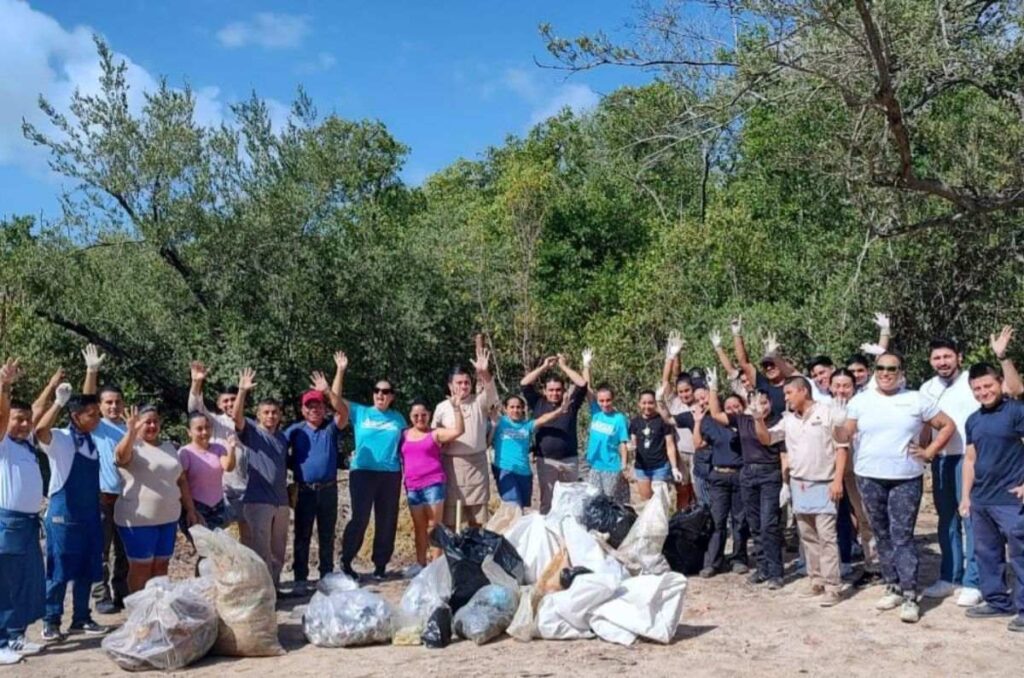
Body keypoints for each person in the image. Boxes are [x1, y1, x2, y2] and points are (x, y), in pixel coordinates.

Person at [839, 351, 956, 623]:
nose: (886, 373)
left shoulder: (915, 399)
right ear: (874, 371)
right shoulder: (860, 401)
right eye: (880, 368)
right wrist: (836, 422)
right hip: (868, 476)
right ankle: (892, 585)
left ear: (901, 371)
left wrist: (930, 451)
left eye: (892, 368)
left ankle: (910, 595)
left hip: (905, 477)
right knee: (881, 534)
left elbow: (947, 425)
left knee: (902, 536)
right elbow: (845, 434)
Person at [919, 329, 1022, 606]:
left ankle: (973, 581)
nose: (942, 362)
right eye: (937, 357)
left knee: (972, 521)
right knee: (947, 521)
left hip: (971, 460)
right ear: (930, 361)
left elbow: (1015, 389)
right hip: (944, 460)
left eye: (947, 356)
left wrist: (1002, 357)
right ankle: (949, 576)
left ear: (958, 358)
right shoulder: (926, 388)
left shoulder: (973, 381)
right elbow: (925, 427)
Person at [758, 377, 848, 606]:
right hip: (800, 484)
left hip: (824, 483)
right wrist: (757, 419)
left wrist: (838, 480)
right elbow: (767, 439)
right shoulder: (788, 420)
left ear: (803, 391)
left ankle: (833, 587)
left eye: (789, 392)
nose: (785, 397)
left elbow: (841, 448)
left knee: (827, 537)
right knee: (807, 536)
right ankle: (816, 581)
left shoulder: (827, 413)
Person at [35, 387, 108, 641]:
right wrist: (57, 403)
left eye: (97, 414)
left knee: (87, 568)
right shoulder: (62, 438)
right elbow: (40, 432)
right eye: (91, 414)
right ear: (76, 416)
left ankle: (81, 618)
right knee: (59, 570)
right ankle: (51, 620)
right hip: (63, 516)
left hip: (89, 516)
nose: (97, 418)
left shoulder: (92, 443)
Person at [959, 362, 1024, 632]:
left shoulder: (1016, 412)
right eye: (977, 388)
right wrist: (966, 497)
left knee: (1020, 554)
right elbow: (970, 459)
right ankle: (997, 600)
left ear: (1000, 383)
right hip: (981, 498)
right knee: (986, 552)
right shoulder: (973, 420)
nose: (984, 392)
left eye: (988, 386)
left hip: (1011, 498)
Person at [706, 368, 782, 588]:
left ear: (769, 403)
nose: (761, 406)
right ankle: (762, 568)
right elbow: (716, 415)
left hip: (770, 473)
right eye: (756, 402)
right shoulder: (742, 419)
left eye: (764, 402)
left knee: (769, 523)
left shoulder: (777, 420)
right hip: (747, 473)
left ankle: (776, 572)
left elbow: (778, 450)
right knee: (755, 524)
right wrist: (713, 389)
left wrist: (785, 481)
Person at [334, 353, 406, 581]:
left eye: (385, 392)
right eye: (377, 391)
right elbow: (334, 399)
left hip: (390, 474)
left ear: (392, 396)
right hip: (362, 473)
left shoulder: (398, 419)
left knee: (387, 519)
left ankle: (380, 565)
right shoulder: (360, 412)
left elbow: (409, 443)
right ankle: (346, 561)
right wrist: (341, 371)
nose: (380, 395)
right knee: (360, 517)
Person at [114, 406, 200, 593]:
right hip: (139, 521)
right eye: (147, 422)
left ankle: (158, 609)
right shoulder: (132, 446)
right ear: (138, 424)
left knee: (161, 566)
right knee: (141, 567)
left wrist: (191, 509)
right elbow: (121, 458)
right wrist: (130, 432)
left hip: (168, 519)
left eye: (155, 421)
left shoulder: (169, 447)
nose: (152, 425)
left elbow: (181, 480)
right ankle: (139, 612)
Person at [0, 360, 46, 663]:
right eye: (19, 419)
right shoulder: (3, 442)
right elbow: (2, 416)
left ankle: (16, 635)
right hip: (9, 523)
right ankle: (1, 639)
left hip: (29, 523)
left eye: (27, 420)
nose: (26, 424)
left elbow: (38, 410)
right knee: (6, 581)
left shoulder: (26, 444)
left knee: (26, 580)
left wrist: (53, 386)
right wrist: (3, 386)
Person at [284, 365, 346, 591]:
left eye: (318, 405)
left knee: (327, 535)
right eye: (309, 406)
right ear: (302, 410)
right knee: (302, 534)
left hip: (328, 489)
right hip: (304, 490)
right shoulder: (295, 431)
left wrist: (328, 391)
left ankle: (326, 575)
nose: (314, 410)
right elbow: (279, 451)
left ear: (323, 408)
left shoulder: (330, 428)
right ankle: (300, 577)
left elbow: (343, 413)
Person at [676, 388, 749, 577]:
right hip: (719, 476)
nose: (733, 410)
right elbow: (698, 444)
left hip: (740, 476)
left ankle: (739, 559)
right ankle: (712, 562)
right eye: (729, 407)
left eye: (736, 406)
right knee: (717, 520)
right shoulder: (712, 424)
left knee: (740, 521)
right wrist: (698, 422)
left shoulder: (745, 424)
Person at [80, 345, 130, 614]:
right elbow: (86, 397)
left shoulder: (128, 428)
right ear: (100, 407)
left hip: (127, 500)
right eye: (108, 402)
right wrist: (92, 370)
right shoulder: (97, 426)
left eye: (117, 402)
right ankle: (101, 595)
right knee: (101, 550)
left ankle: (123, 591)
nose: (113, 406)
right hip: (101, 498)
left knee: (124, 551)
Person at [232, 368, 291, 589]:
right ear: (258, 415)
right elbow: (236, 417)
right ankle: (261, 594)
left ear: (280, 415)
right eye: (266, 412)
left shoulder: (283, 438)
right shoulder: (252, 432)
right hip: (258, 501)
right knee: (260, 550)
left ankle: (274, 589)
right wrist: (242, 391)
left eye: (274, 412)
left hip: (281, 502)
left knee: (278, 550)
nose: (270, 416)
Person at [431, 344, 499, 527]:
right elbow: (434, 438)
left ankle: (475, 553)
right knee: (451, 520)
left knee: (478, 520)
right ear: (450, 385)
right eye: (459, 383)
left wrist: (484, 373)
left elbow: (492, 396)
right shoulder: (441, 407)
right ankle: (454, 554)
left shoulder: (479, 401)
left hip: (477, 464)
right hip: (451, 465)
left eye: (467, 382)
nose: (463, 386)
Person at [400, 396, 465, 573]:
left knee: (435, 526)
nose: (420, 418)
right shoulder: (404, 434)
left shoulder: (435, 433)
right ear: (410, 416)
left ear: (429, 415)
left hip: (433, 485)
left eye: (423, 414)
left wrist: (457, 408)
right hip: (412, 487)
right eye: (416, 415)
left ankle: (435, 567)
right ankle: (420, 564)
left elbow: (459, 430)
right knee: (419, 527)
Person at [520, 354, 589, 513]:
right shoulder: (537, 402)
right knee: (547, 501)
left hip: (569, 460)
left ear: (563, 391)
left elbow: (582, 384)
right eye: (551, 390)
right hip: (546, 461)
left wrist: (563, 366)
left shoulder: (570, 403)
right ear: (544, 390)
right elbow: (524, 383)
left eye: (558, 390)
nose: (554, 393)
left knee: (570, 500)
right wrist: (544, 367)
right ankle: (546, 533)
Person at [188, 362, 249, 541]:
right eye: (226, 401)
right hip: (223, 493)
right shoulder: (214, 422)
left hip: (247, 492)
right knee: (225, 543)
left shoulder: (249, 424)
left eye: (233, 399)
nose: (230, 404)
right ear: (218, 404)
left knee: (248, 543)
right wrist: (196, 383)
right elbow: (194, 409)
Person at [829, 368, 879, 580]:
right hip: (830, 472)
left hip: (860, 471)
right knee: (828, 521)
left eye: (846, 386)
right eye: (837, 386)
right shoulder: (824, 408)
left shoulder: (865, 406)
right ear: (830, 387)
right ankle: (832, 567)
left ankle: (874, 565)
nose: (841, 390)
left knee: (865, 518)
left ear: (854, 386)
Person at [492, 394, 569, 508]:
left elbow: (543, 419)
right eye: (512, 407)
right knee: (512, 505)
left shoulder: (527, 425)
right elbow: (489, 406)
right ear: (505, 409)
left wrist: (560, 410)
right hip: (505, 469)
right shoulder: (500, 422)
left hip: (524, 472)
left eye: (518, 407)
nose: (515, 410)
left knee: (521, 507)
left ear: (523, 409)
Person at [582, 353, 630, 504]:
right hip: (594, 465)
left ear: (613, 399)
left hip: (611, 466)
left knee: (609, 501)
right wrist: (586, 365)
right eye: (601, 400)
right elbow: (587, 388)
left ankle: (610, 527)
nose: (604, 403)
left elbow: (622, 442)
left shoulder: (619, 418)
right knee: (594, 500)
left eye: (608, 400)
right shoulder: (596, 412)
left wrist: (624, 464)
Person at [178, 412, 237, 530]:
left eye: (207, 427)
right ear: (189, 432)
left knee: (218, 546)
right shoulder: (184, 453)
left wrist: (232, 449)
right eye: (199, 429)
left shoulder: (219, 448)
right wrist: (191, 510)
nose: (204, 432)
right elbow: (181, 483)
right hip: (196, 507)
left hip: (218, 506)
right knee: (203, 546)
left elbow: (228, 467)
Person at [659, 331, 696, 508]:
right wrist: (672, 355)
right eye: (681, 392)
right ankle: (683, 520)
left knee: (697, 490)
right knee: (682, 490)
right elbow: (667, 380)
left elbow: (678, 376)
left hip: (698, 453)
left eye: (687, 391)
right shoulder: (674, 403)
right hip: (680, 453)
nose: (684, 394)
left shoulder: (700, 403)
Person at [731, 318, 796, 417]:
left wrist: (774, 354)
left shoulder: (794, 382)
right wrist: (737, 335)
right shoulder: (763, 384)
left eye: (772, 364)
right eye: (766, 366)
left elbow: (792, 371)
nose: (769, 368)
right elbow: (744, 363)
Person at [629, 390, 683, 501]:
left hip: (660, 467)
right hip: (641, 468)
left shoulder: (662, 421)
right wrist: (630, 447)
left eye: (650, 403)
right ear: (639, 404)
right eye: (644, 403)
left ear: (655, 404)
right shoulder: (635, 422)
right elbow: (633, 441)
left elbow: (670, 445)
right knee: (646, 502)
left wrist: (674, 468)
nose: (647, 406)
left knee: (659, 502)